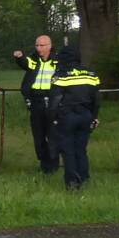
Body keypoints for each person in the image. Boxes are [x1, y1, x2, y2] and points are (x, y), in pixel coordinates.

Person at [47, 46, 100, 190]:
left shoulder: (61, 74)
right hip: (85, 116)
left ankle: (72, 182)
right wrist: (94, 117)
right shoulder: (91, 73)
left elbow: (54, 101)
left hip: (67, 116)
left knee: (68, 150)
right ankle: (84, 178)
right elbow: (96, 99)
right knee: (81, 149)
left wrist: (52, 119)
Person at [13, 35, 59, 173]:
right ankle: (44, 163)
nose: (39, 48)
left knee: (52, 135)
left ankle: (52, 165)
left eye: (42, 45)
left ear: (50, 46)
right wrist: (19, 57)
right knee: (38, 136)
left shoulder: (58, 62)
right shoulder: (34, 60)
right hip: (36, 102)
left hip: (53, 103)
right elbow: (25, 63)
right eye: (37, 45)